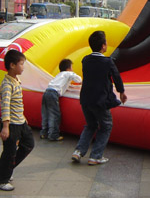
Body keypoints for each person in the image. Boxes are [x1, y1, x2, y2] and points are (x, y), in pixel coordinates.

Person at [71, 31, 127, 165]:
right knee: (106, 125)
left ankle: (78, 151)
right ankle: (95, 156)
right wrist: (121, 92)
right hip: (100, 100)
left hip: (85, 99)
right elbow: (116, 77)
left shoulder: (85, 60)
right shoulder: (107, 61)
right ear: (103, 46)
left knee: (91, 125)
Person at [0, 49, 35, 191]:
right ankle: (1, 180)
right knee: (9, 152)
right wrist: (5, 127)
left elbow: (18, 103)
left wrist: (23, 118)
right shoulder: (7, 85)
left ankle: (8, 169)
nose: (23, 67)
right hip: (11, 124)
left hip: (21, 122)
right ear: (12, 65)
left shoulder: (17, 80)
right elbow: (5, 106)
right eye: (21, 64)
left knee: (29, 144)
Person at [40, 59, 82, 141]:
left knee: (45, 114)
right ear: (68, 68)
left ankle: (44, 132)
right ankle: (53, 134)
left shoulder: (58, 75)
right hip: (53, 94)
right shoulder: (68, 73)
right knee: (54, 115)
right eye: (72, 67)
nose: (72, 69)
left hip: (46, 92)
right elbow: (79, 79)